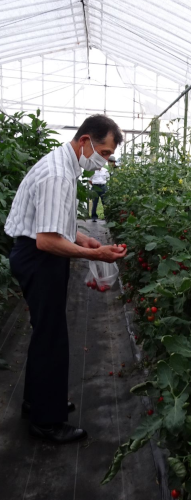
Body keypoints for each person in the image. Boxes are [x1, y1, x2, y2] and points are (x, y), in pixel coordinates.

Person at [4, 114, 127, 444]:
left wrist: (80, 237)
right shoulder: (59, 173)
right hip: (38, 257)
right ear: (86, 140)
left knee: (46, 332)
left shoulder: (62, 165)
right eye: (102, 153)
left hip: (34, 254)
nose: (103, 161)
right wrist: (95, 255)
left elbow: (51, 221)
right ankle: (47, 421)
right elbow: (46, 240)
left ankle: (38, 401)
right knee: (53, 337)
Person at [89, 156, 110, 222]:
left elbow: (108, 179)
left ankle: (106, 216)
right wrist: (94, 186)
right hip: (95, 187)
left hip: (103, 187)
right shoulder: (92, 171)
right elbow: (89, 180)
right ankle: (94, 216)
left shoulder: (105, 171)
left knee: (105, 202)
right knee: (95, 202)